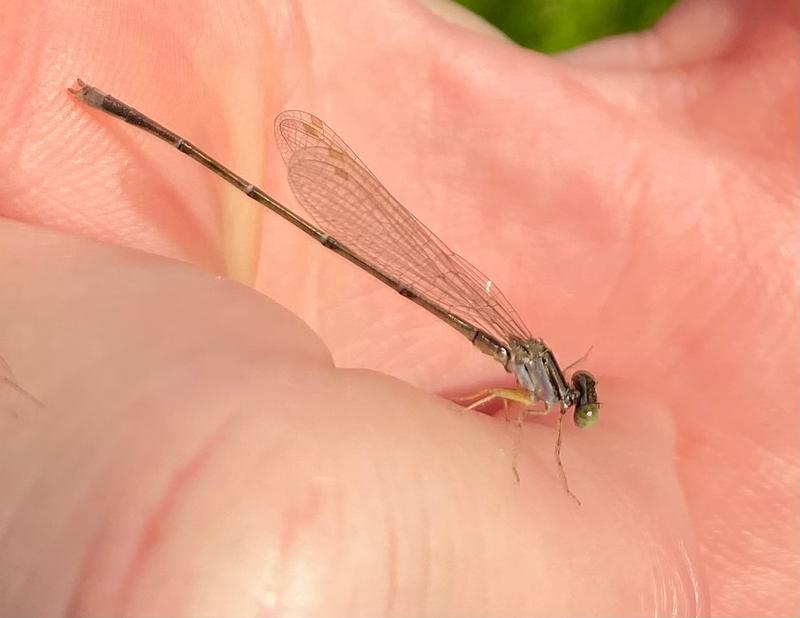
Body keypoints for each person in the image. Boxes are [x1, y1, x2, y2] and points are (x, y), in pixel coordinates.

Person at [0, 0, 796, 615]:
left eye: (578, 403)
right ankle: (117, 107)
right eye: (575, 401)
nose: (578, 406)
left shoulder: (543, 383)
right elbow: (497, 404)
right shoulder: (536, 384)